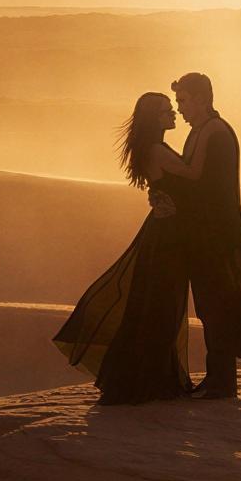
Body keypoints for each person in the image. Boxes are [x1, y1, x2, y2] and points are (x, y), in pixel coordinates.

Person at [145, 71, 241, 398]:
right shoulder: (202, 131)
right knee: (212, 306)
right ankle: (219, 379)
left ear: (200, 99)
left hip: (216, 235)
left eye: (184, 100)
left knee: (218, 305)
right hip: (205, 235)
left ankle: (222, 382)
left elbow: (204, 185)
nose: (180, 108)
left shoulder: (215, 131)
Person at [52, 92, 194, 405]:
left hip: (163, 233)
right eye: (166, 110)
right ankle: (148, 383)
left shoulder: (151, 148)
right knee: (161, 305)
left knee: (157, 304)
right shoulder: (156, 150)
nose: (172, 113)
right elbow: (195, 173)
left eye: (172, 108)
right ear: (153, 118)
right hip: (167, 237)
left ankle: (149, 380)